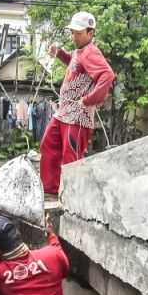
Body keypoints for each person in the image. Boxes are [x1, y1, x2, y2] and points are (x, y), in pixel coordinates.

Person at [40, 11, 115, 196]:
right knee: (48, 145)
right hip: (64, 112)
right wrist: (59, 54)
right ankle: (50, 189)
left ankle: (71, 196)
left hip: (77, 116)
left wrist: (89, 100)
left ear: (91, 33)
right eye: (73, 32)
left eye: (79, 33)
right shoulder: (80, 51)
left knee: (70, 157)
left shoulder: (90, 51)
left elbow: (107, 75)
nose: (74, 36)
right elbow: (75, 63)